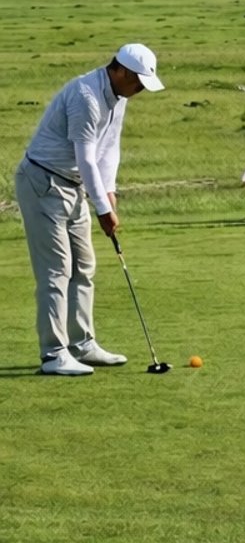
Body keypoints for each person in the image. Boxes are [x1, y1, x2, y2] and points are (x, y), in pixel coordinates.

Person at [14, 44, 164, 376]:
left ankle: (82, 344)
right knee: (56, 270)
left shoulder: (119, 98)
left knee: (84, 265)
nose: (139, 90)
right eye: (138, 82)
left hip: (73, 185)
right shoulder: (87, 95)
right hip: (42, 182)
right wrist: (101, 209)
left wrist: (108, 192)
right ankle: (54, 353)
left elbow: (109, 149)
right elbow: (85, 155)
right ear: (120, 71)